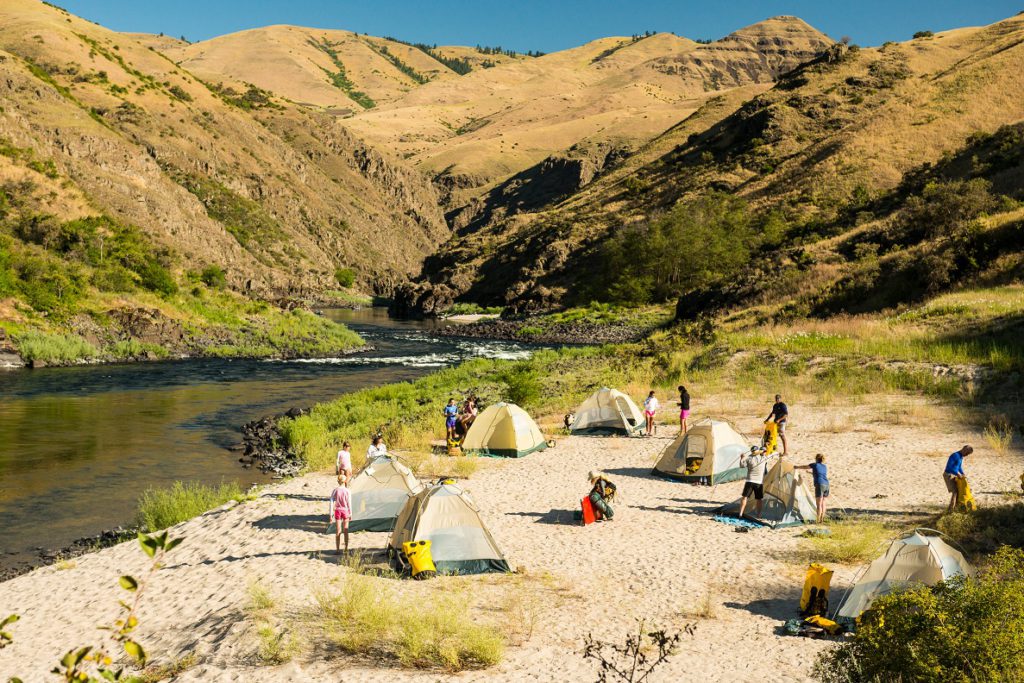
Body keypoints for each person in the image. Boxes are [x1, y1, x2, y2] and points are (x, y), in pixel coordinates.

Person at [738, 446, 770, 519]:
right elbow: (766, 453)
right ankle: (758, 515)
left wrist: (742, 457)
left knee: (745, 497)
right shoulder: (763, 459)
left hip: (749, 481)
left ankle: (740, 514)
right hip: (759, 482)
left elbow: (742, 465)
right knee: (759, 499)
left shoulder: (749, 458)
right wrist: (763, 451)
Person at [796, 454, 829, 523]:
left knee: (819, 504)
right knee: (824, 502)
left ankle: (818, 520)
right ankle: (822, 519)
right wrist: (811, 473)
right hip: (826, 484)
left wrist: (797, 467)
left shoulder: (815, 465)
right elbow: (820, 474)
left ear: (816, 459)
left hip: (819, 484)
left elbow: (805, 467)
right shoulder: (824, 466)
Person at [944, 445, 973, 512]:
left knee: (959, 491)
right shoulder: (955, 455)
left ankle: (956, 508)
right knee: (955, 491)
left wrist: (963, 473)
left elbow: (959, 467)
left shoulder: (961, 457)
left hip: (955, 475)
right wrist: (957, 474)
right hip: (948, 475)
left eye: (968, 454)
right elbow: (950, 467)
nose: (967, 455)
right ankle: (950, 510)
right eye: (967, 453)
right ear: (964, 449)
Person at [328, 474, 351, 555]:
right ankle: (346, 548)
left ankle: (337, 549)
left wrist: (330, 515)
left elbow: (331, 502)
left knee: (338, 531)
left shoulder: (335, 490)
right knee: (346, 530)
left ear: (338, 481)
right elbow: (349, 503)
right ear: (345, 481)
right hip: (345, 511)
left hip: (338, 511)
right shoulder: (347, 491)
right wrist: (350, 513)